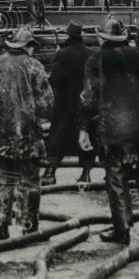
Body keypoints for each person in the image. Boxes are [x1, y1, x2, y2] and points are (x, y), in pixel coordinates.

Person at [79, 17, 139, 245]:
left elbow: (89, 97)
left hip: (115, 128)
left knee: (116, 179)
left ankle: (122, 230)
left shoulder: (96, 60)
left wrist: (84, 128)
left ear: (102, 37)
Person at [0, 26, 53, 240]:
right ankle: (29, 223)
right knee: (29, 180)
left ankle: (2, 224)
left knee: (3, 180)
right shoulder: (34, 66)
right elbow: (46, 102)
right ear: (28, 47)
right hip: (27, 134)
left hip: (1, 132)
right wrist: (42, 118)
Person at [41, 21, 95, 185]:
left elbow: (55, 79)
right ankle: (86, 174)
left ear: (68, 36)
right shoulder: (91, 53)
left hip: (65, 102)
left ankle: (50, 173)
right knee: (87, 138)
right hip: (85, 102)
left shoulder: (63, 54)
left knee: (58, 136)